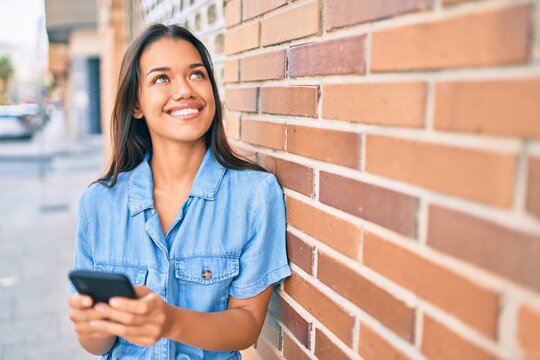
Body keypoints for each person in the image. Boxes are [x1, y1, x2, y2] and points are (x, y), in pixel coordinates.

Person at [67, 23, 290, 359]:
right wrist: (90, 328)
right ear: (135, 105)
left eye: (196, 74)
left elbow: (247, 326)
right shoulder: (99, 203)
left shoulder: (254, 194)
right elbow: (97, 345)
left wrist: (169, 321)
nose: (185, 90)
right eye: (161, 78)